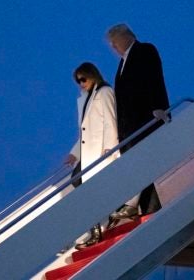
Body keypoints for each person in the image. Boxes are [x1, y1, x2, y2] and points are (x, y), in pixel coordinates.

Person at [106, 23, 170, 223]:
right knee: (137, 163)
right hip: (129, 127)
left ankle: (146, 206)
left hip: (145, 119)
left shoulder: (145, 50)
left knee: (146, 162)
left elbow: (154, 78)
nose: (113, 48)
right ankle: (142, 206)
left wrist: (159, 107)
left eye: (115, 42)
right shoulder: (122, 63)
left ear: (127, 37)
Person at [65, 62, 119, 249]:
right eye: (78, 81)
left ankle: (99, 227)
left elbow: (110, 121)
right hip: (89, 153)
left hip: (101, 151)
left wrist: (110, 148)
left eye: (83, 79)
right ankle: (96, 228)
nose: (81, 83)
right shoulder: (85, 98)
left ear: (92, 75)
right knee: (79, 183)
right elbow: (84, 132)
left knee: (86, 186)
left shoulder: (104, 92)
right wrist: (74, 153)